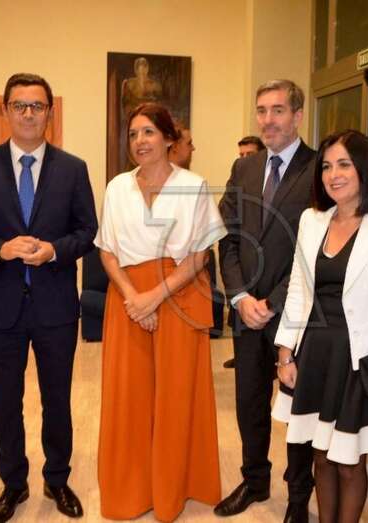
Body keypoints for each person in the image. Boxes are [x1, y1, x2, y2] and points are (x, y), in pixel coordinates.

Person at [0, 73, 97, 523]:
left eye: (37, 106)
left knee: (57, 400)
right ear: (6, 110)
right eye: (20, 105)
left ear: (49, 112)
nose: (29, 114)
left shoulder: (73, 168)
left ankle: (57, 479)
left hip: (55, 307)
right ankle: (13, 484)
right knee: (4, 402)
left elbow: (87, 231)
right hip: (0, 310)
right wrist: (0, 248)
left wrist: (55, 251)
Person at [272, 130, 368, 523]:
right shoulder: (312, 220)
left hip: (359, 358)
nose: (333, 175)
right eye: (327, 166)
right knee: (320, 456)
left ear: (364, 168)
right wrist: (284, 353)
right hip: (315, 352)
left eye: (344, 165)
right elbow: (298, 289)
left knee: (350, 462)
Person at [97, 102, 225, 522]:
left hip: (179, 296)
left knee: (175, 397)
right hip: (127, 300)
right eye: (133, 134)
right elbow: (107, 252)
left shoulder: (194, 185)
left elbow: (200, 255)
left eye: (149, 132)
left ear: (169, 138)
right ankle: (131, 492)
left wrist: (154, 297)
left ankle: (174, 490)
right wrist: (135, 297)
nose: (140, 141)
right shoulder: (117, 188)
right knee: (129, 399)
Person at [217, 79, 316, 522]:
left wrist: (273, 302)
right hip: (245, 313)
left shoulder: (320, 170)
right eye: (262, 110)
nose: (268, 119)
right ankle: (254, 482)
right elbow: (227, 237)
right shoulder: (245, 168)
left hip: (295, 313)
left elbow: (316, 250)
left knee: (296, 408)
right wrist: (239, 296)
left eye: (278, 110)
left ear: (298, 115)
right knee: (249, 403)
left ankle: (297, 498)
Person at [223, 134, 267, 370]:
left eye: (249, 154)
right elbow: (227, 232)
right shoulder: (238, 178)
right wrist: (240, 295)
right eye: (241, 155)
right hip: (243, 284)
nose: (244, 159)